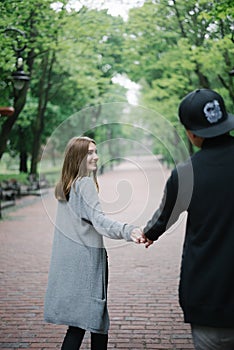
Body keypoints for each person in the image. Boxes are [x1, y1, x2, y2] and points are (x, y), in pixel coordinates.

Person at [142, 89, 234, 350]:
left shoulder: (185, 174)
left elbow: (163, 219)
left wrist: (148, 234)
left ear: (191, 133)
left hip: (208, 297)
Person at [44, 136, 143, 350]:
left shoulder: (66, 186)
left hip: (72, 265)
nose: (96, 157)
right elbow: (100, 222)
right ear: (77, 157)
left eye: (95, 151)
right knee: (97, 324)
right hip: (88, 265)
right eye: (89, 153)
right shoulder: (85, 184)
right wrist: (129, 230)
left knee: (79, 325)